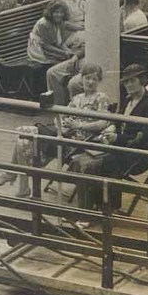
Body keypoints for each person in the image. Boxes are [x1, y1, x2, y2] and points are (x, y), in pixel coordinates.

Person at [57, 65, 117, 208]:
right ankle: (24, 184)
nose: (90, 82)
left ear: (99, 81)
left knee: (49, 144)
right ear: (81, 78)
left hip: (87, 142)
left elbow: (103, 123)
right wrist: (63, 124)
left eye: (94, 79)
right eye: (87, 78)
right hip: (69, 138)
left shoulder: (101, 98)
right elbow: (62, 115)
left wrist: (79, 126)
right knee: (37, 136)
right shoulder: (77, 98)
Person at [101, 64, 148, 197]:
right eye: (126, 82)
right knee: (90, 161)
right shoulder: (127, 99)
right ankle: (94, 204)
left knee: (103, 163)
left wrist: (117, 138)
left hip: (138, 154)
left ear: (142, 81)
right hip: (121, 147)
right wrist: (112, 127)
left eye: (132, 81)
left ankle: (109, 206)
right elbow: (118, 120)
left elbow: (145, 137)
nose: (128, 85)